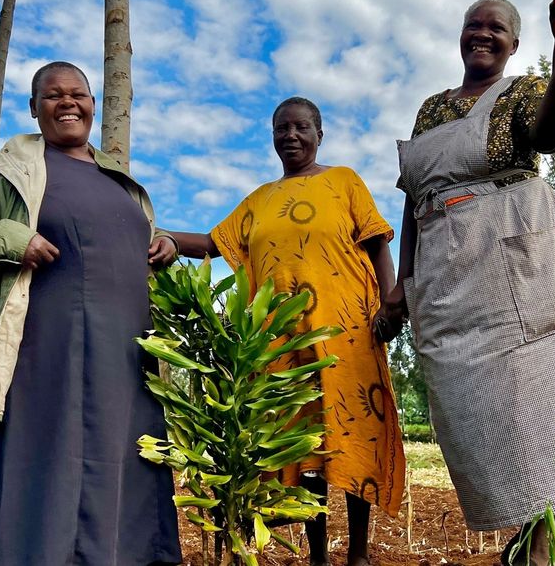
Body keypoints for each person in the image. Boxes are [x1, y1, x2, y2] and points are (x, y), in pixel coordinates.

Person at [388, 0, 555, 566]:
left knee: (547, 391)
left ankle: (547, 542)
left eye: (497, 28)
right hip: (444, 265)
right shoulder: (430, 108)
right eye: (473, 25)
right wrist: (402, 284)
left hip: (516, 247)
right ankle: (531, 530)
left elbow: (548, 135)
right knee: (468, 406)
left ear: (515, 44)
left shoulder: (524, 92)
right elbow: (415, 199)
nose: (482, 34)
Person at [0, 61, 181, 565]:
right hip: (41, 353)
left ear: (92, 104)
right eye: (53, 95)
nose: (68, 102)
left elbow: (128, 243)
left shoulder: (119, 180)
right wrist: (14, 239)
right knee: (38, 463)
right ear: (34, 108)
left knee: (124, 466)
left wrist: (163, 244)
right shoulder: (7, 171)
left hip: (125, 359)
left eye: (78, 94)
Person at [169, 97, 406, 566]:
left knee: (354, 434)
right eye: (282, 128)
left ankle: (358, 554)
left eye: (301, 127)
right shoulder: (259, 199)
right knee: (304, 446)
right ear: (273, 136)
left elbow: (377, 243)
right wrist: (165, 237)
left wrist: (391, 302)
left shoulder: (343, 181)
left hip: (348, 331)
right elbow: (215, 243)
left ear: (320, 134)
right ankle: (318, 555)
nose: (291, 136)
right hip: (281, 340)